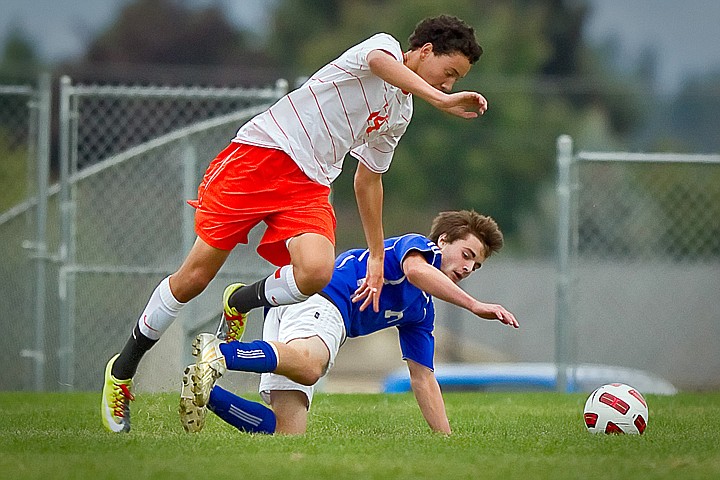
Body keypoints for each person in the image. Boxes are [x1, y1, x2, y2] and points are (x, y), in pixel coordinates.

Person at [102, 14, 487, 433]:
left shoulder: (401, 112)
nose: (449, 84)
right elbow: (381, 65)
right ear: (426, 51)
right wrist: (440, 100)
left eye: (455, 80)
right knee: (193, 278)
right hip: (263, 155)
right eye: (450, 72)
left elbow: (368, 179)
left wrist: (377, 256)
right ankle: (122, 372)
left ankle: (240, 301)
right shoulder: (384, 48)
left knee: (317, 272)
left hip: (310, 185)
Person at [180, 210, 519, 435]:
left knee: (286, 431)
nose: (468, 268)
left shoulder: (420, 310)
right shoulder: (418, 249)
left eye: (476, 266)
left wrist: (446, 441)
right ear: (442, 241)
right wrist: (474, 305)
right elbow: (416, 271)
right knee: (310, 367)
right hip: (323, 297)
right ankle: (221, 353)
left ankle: (203, 389)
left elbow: (423, 378)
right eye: (467, 255)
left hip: (299, 306)